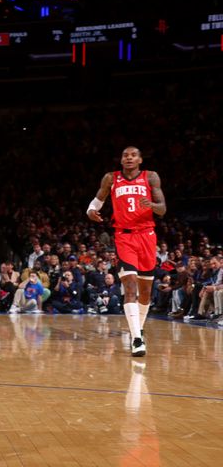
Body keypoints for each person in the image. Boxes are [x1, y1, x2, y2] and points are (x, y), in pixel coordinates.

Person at [87, 146, 166, 356]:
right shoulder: (111, 178)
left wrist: (151, 204)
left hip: (147, 235)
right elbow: (98, 199)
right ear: (121, 160)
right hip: (124, 236)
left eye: (133, 155)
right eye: (125, 155)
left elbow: (163, 208)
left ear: (140, 159)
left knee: (146, 292)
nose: (129, 158)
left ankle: (138, 328)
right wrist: (90, 211)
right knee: (130, 286)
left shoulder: (151, 177)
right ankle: (137, 339)